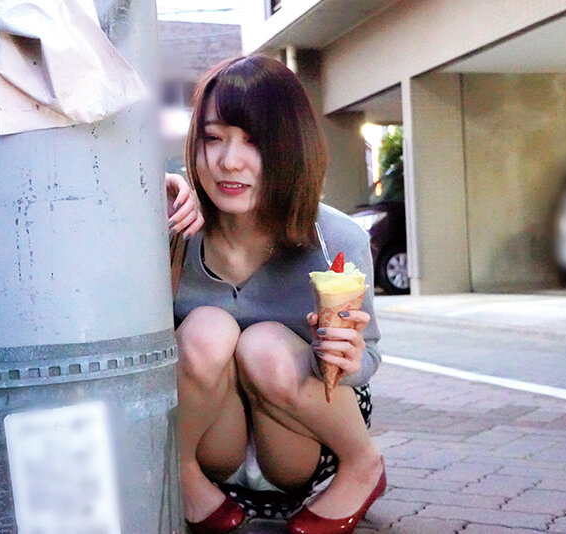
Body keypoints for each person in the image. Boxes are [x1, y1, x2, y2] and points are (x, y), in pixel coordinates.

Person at [165, 55, 385, 534]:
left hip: (297, 443)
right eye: (213, 138)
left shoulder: (335, 239)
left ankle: (363, 465)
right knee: (206, 329)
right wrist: (142, 197)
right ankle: (178, 473)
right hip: (209, 448)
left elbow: (367, 360)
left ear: (292, 148)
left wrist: (348, 358)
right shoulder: (174, 228)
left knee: (263, 343)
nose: (229, 161)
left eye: (255, 141)